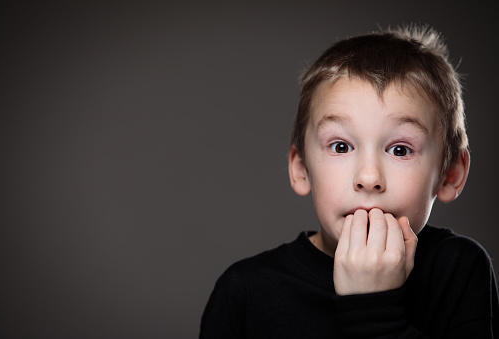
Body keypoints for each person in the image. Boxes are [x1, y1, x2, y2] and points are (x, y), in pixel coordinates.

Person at [199, 24, 499, 338]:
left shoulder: (459, 269)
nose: (369, 178)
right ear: (301, 169)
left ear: (450, 174)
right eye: (341, 146)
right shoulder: (244, 290)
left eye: (400, 150)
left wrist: (374, 309)